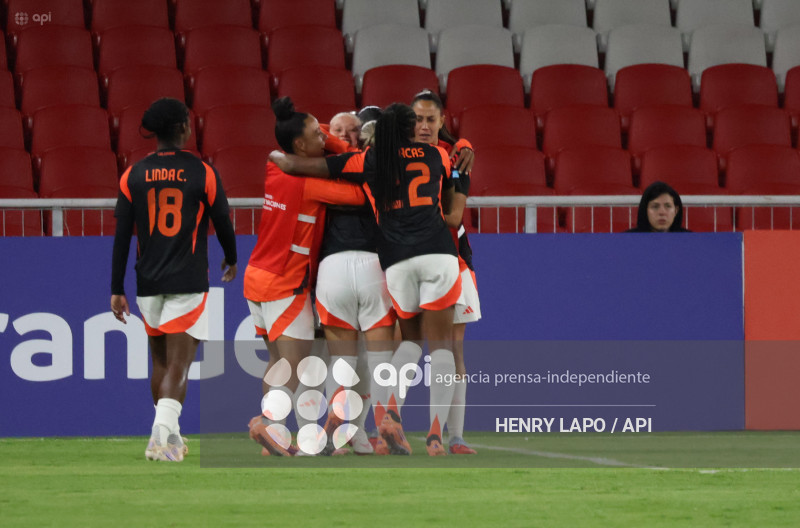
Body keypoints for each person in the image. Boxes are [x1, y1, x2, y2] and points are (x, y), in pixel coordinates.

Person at [270, 103, 462, 456]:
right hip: (392, 262)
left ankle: (338, 432)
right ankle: (401, 425)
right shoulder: (435, 155)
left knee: (342, 362)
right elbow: (453, 196)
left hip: (351, 267)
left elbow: (296, 163)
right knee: (397, 354)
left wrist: (285, 142)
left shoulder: (363, 165)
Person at [110, 97, 238, 462]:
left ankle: (171, 438)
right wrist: (231, 257)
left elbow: (122, 238)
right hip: (189, 280)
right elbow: (223, 223)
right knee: (180, 366)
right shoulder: (203, 172)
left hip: (146, 282)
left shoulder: (132, 174)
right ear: (183, 127)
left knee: (161, 365)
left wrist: (116, 288)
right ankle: (159, 438)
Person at [245, 97, 366, 457]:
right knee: (294, 367)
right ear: (299, 145)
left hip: (256, 278)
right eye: (318, 134)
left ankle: (276, 441)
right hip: (284, 283)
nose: (325, 137)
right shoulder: (308, 183)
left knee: (276, 364)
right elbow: (361, 192)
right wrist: (341, 147)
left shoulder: (274, 167)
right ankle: (268, 426)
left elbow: (315, 139)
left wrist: (320, 135)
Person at [411, 90, 481, 455]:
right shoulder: (399, 157)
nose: (424, 127)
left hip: (452, 260)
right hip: (405, 264)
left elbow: (455, 217)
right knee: (395, 347)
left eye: (430, 120)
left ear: (441, 122)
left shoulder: (457, 161)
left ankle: (454, 436)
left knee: (453, 351)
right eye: (418, 120)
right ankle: (380, 427)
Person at [626, 181, 691, 233]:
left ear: (676, 211)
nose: (662, 212)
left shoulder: (690, 240)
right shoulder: (627, 239)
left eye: (668, 206)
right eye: (655, 206)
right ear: (645, 210)